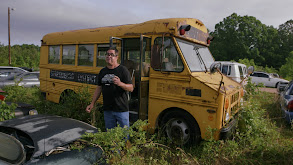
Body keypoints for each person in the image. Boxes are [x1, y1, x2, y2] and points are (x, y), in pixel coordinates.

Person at [86, 47, 133, 130]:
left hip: (121, 109)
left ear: (117, 57)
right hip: (108, 109)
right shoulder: (102, 71)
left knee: (125, 134)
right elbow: (99, 88)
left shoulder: (123, 70)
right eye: (107, 54)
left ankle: (126, 143)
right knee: (110, 133)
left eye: (112, 55)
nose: (109, 56)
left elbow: (131, 88)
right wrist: (92, 103)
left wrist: (120, 83)